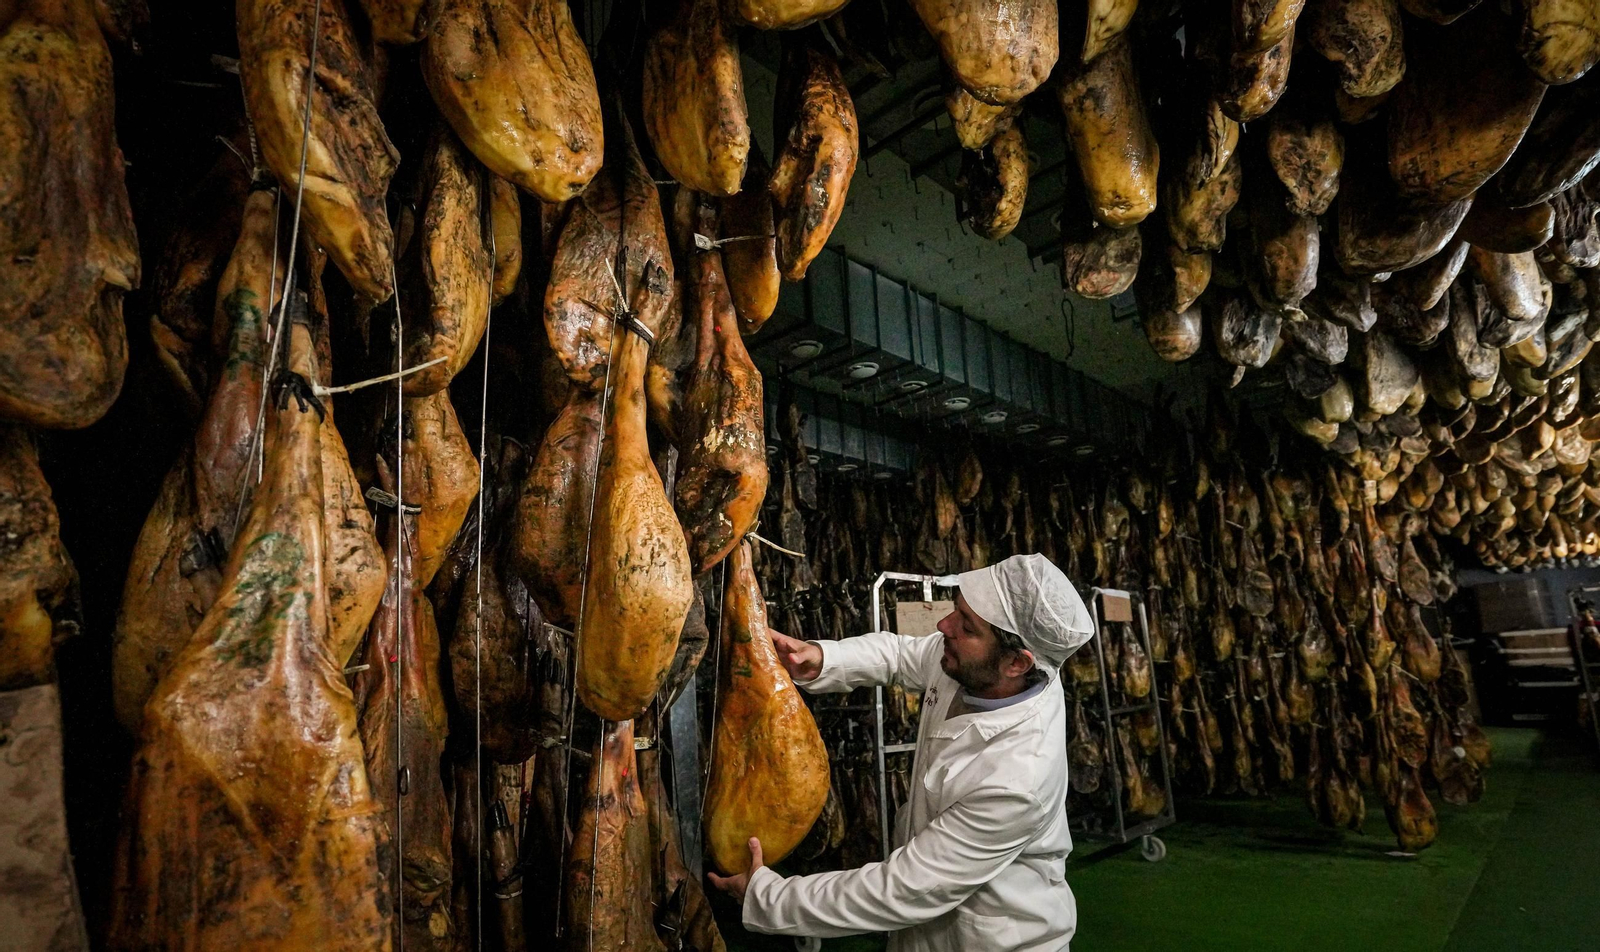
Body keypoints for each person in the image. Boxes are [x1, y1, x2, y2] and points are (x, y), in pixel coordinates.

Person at [708, 553, 1094, 951]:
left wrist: (767, 898)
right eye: (955, 610)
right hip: (928, 926)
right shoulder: (976, 668)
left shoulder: (1018, 778)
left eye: (966, 625)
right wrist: (821, 658)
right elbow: (901, 654)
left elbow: (905, 889)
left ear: (1017, 662)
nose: (944, 625)